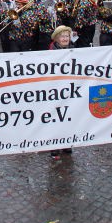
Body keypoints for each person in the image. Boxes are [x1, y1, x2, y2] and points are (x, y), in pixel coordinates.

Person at [49, 25, 74, 158]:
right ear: (57, 38)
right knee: (55, 118)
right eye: (62, 36)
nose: (65, 39)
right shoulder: (52, 50)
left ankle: (67, 143)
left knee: (69, 116)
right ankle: (54, 146)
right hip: (56, 88)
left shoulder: (73, 49)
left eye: (67, 36)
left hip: (69, 89)